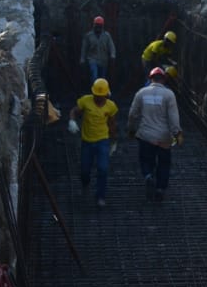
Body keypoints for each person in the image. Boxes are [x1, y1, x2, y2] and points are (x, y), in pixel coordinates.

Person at [127, 66, 183, 202]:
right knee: (164, 163)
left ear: (150, 78)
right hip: (164, 137)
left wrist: (131, 129)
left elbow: (133, 114)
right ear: (163, 79)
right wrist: (177, 133)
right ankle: (160, 189)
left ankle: (148, 176)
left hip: (146, 135)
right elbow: (173, 117)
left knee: (146, 160)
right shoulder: (169, 94)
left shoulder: (141, 93)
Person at [70, 78, 118, 207]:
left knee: (103, 169)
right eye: (97, 96)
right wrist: (72, 121)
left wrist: (113, 141)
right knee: (85, 170)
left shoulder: (110, 106)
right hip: (87, 141)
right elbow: (74, 111)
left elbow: (112, 123)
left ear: (106, 95)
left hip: (103, 140)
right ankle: (85, 184)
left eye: (102, 96)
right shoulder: (86, 101)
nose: (99, 99)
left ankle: (100, 196)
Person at [79, 16, 116, 82]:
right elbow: (84, 48)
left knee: (102, 78)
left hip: (104, 60)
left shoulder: (107, 36)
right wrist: (82, 59)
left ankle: (101, 91)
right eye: (97, 25)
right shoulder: (88, 36)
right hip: (92, 59)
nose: (98, 27)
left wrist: (112, 55)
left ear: (102, 26)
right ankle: (94, 90)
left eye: (100, 25)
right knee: (94, 75)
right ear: (94, 25)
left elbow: (111, 46)